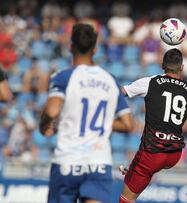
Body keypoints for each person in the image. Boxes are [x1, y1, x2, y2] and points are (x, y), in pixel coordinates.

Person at [39, 23, 133, 203]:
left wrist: (43, 126)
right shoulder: (110, 80)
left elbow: (51, 111)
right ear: (95, 49)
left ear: (71, 46)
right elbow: (128, 124)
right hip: (98, 162)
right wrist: (103, 121)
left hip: (68, 161)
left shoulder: (63, 76)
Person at [119, 48, 187, 203]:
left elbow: (121, 92)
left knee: (125, 199)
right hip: (174, 154)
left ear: (162, 65)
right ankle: (134, 171)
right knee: (141, 169)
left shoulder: (150, 82)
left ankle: (136, 173)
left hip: (152, 153)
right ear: (182, 67)